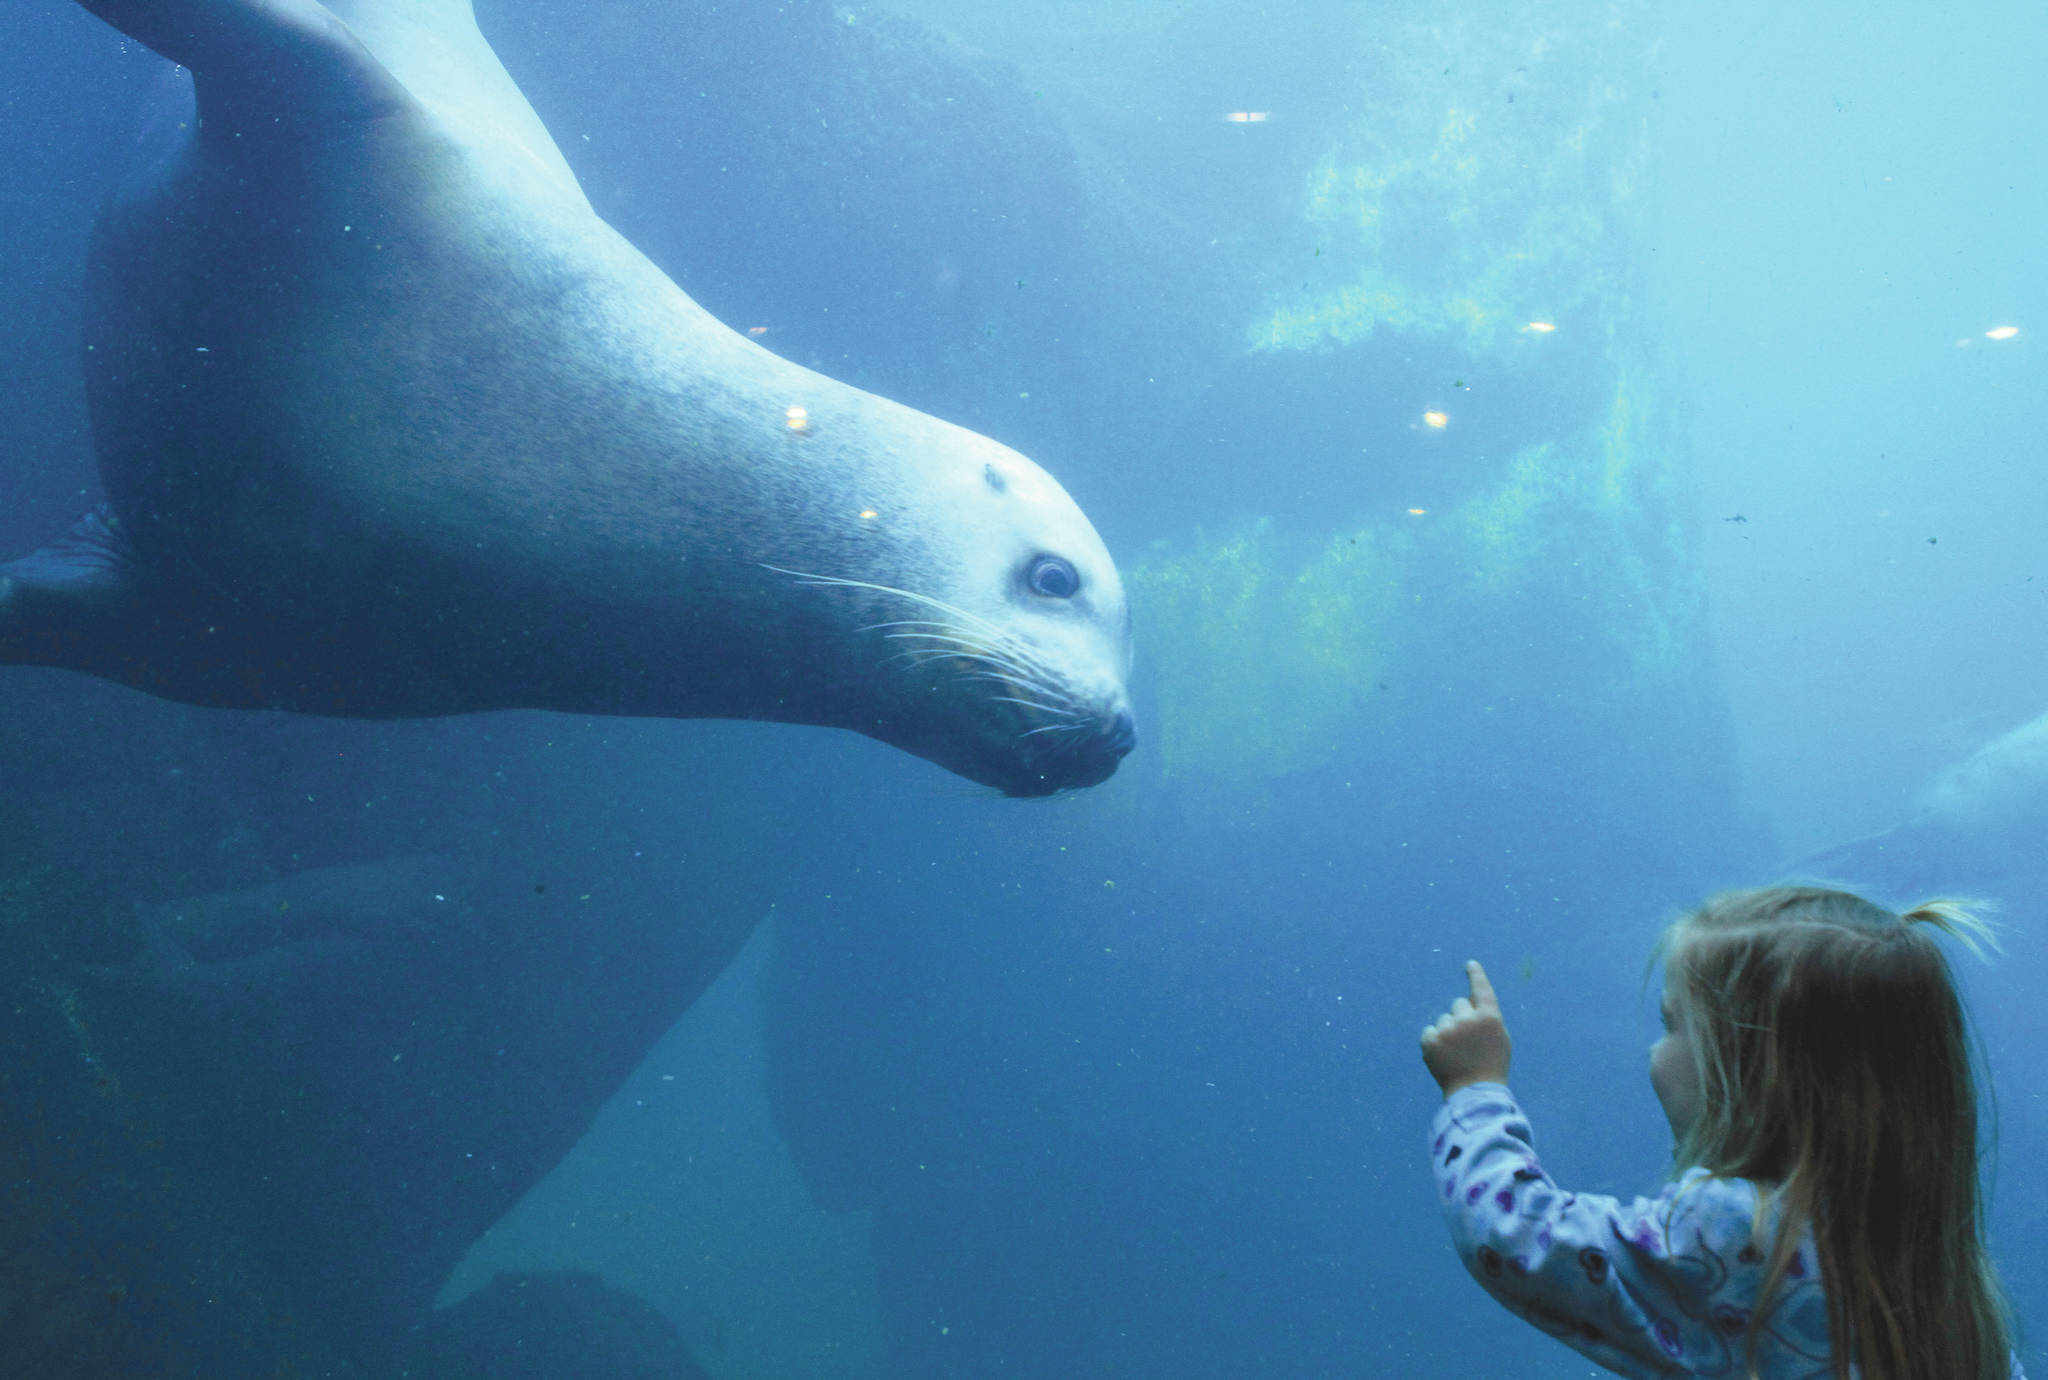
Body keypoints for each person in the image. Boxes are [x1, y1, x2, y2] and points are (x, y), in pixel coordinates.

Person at [1419, 885, 2024, 1380]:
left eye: (1672, 1023)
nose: (1656, 1050)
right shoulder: (1939, 1267)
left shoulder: (1747, 1233)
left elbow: (1520, 1239)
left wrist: (1474, 1089)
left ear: (1751, 1071)